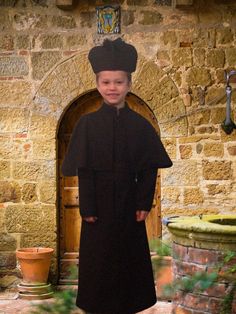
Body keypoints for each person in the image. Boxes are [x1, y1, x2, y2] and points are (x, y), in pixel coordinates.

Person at [61, 38, 172, 314]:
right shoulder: (86, 125)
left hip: (129, 209)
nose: (113, 88)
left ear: (129, 85)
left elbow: (149, 168)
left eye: (119, 82)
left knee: (127, 265)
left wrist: (144, 204)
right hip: (96, 212)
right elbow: (83, 169)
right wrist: (86, 207)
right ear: (98, 84)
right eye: (107, 82)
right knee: (98, 267)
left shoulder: (140, 125)